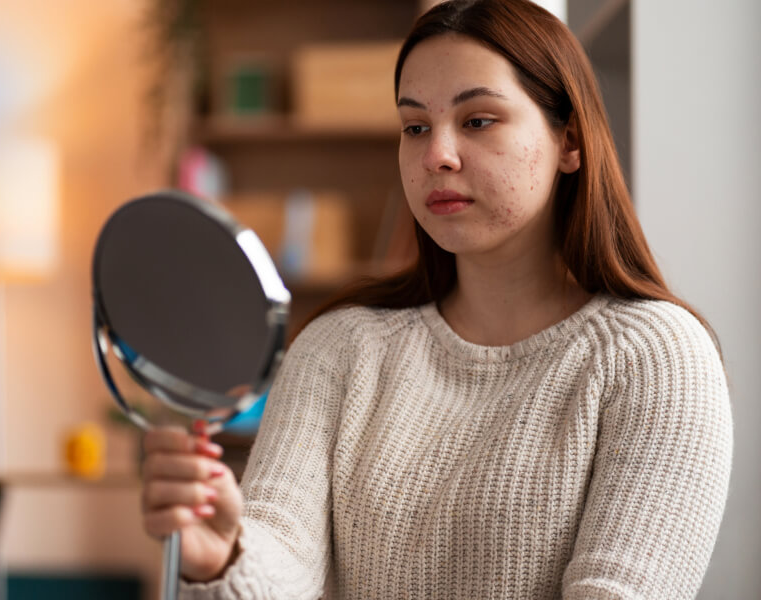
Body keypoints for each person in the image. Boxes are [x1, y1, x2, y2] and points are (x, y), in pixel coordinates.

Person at [140, 0, 733, 597]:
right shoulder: (336, 349)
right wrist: (222, 559)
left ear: (570, 141)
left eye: (478, 120)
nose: (435, 156)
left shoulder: (656, 358)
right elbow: (281, 554)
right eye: (416, 127)